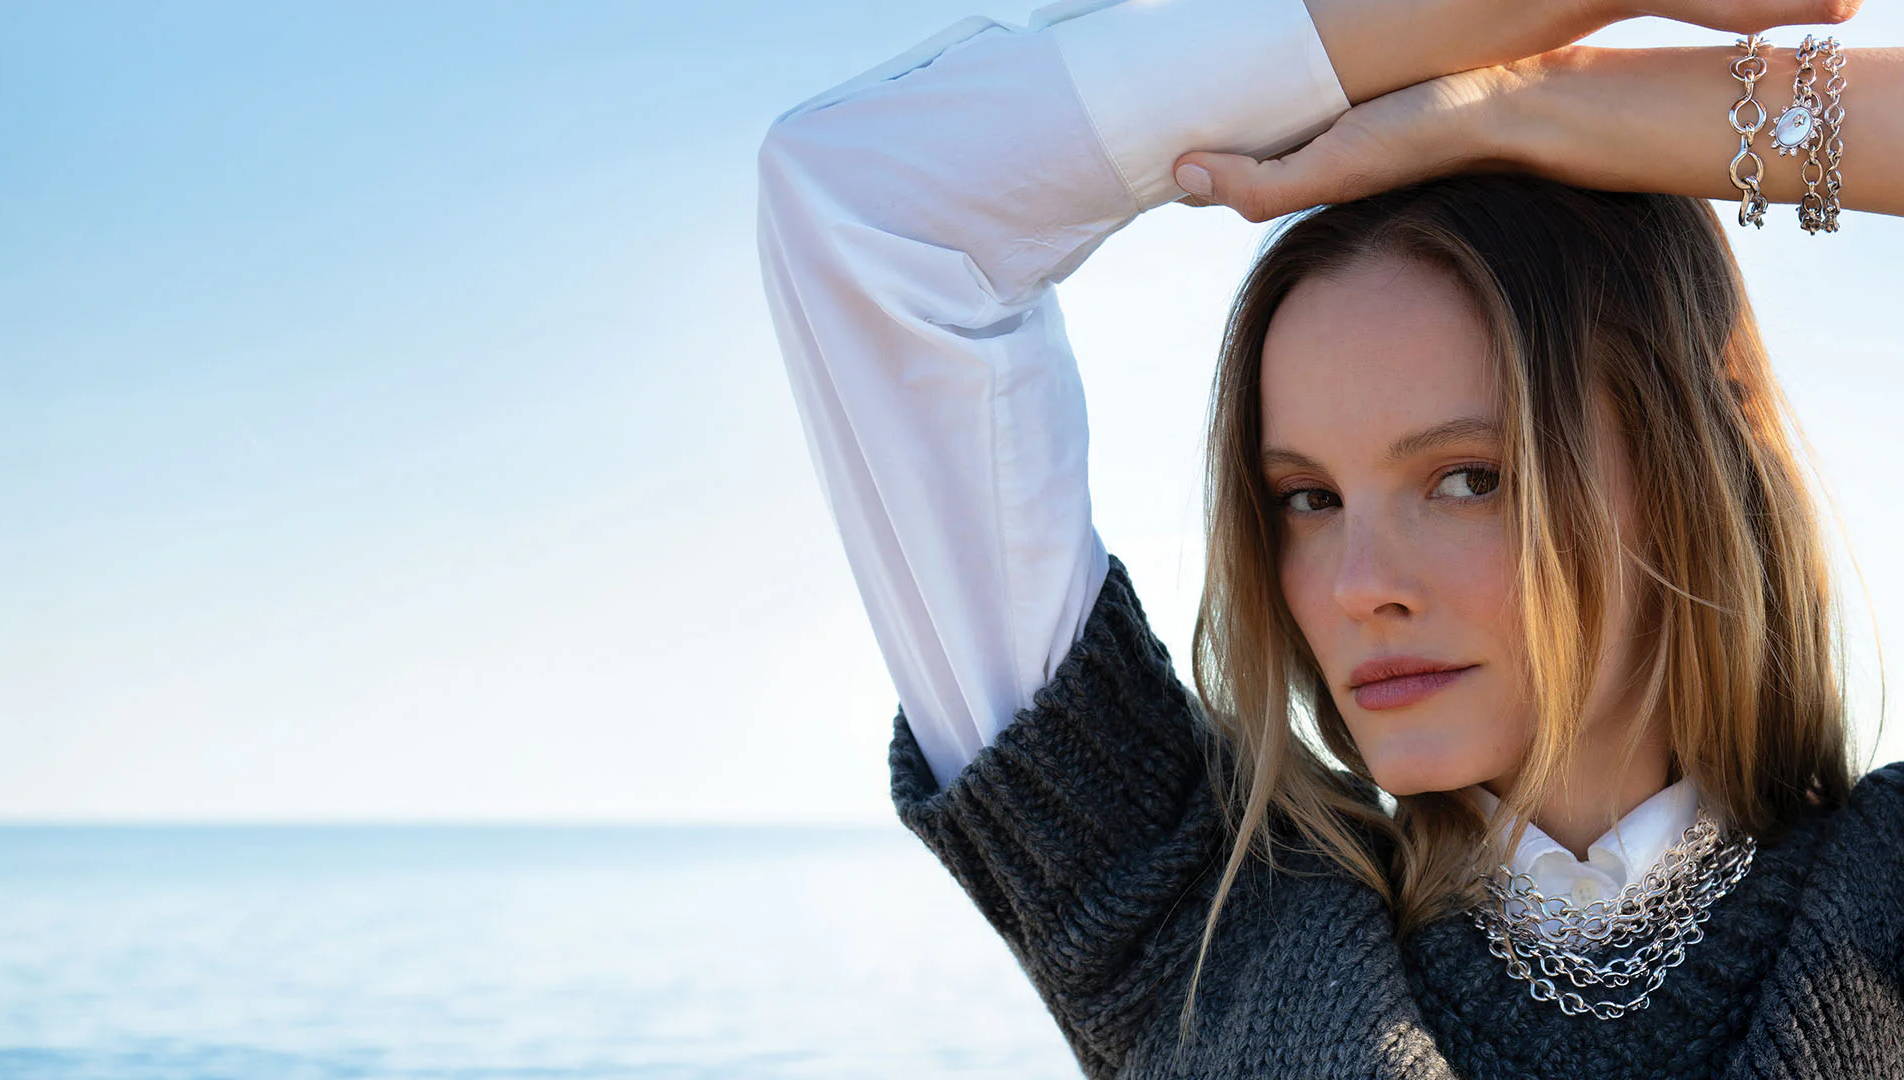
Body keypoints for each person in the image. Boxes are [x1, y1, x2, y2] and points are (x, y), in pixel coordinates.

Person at [755, 0, 1904, 1075]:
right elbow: (866, 202)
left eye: (1464, 478)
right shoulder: (1192, 929)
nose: (1356, 587)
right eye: (1304, 497)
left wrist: (1540, 97)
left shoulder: (1883, 895)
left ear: (1685, 462)